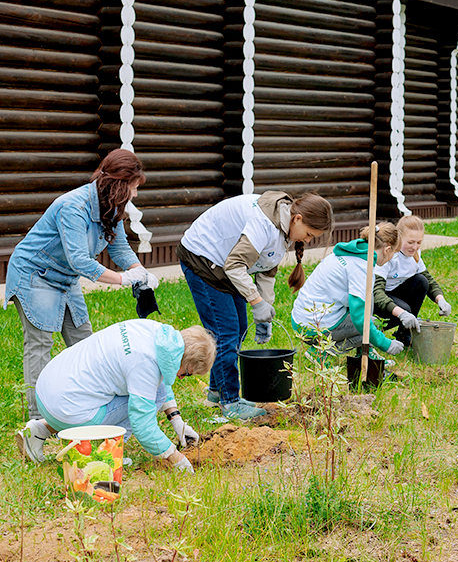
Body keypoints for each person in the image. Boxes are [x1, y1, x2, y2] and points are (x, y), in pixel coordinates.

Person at [3, 150, 159, 420]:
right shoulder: (72, 206)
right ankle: (38, 421)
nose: (135, 195)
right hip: (35, 274)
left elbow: (120, 247)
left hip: (65, 279)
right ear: (121, 185)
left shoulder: (113, 206)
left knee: (84, 341)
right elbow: (79, 261)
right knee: (41, 343)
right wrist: (123, 279)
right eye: (133, 188)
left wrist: (139, 270)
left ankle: (85, 404)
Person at [176, 192, 333, 419]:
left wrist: (264, 311)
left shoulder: (284, 226)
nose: (307, 241)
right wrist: (255, 302)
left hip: (225, 265)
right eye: (309, 234)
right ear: (297, 218)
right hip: (203, 257)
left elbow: (267, 270)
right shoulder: (265, 224)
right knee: (226, 332)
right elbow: (235, 265)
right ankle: (230, 402)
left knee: (238, 329)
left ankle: (216, 393)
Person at [15, 320, 216, 474]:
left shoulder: (156, 332)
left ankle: (40, 428)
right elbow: (142, 424)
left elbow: (161, 375)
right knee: (149, 399)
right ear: (184, 358)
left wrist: (176, 419)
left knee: (152, 391)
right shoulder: (145, 363)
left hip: (48, 388)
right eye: (188, 373)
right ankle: (108, 453)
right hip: (67, 408)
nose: (182, 378)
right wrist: (177, 458)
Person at [292, 223, 406, 363]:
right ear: (387, 249)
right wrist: (385, 344)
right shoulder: (362, 267)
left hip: (301, 319)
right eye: (394, 254)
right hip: (313, 327)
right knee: (371, 325)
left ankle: (367, 354)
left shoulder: (351, 253)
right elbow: (359, 317)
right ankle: (320, 353)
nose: (391, 258)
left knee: (368, 319)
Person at [372, 215, 452, 347]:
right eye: (410, 242)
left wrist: (440, 299)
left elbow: (428, 279)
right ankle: (376, 329)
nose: (415, 247)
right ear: (399, 237)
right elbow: (377, 292)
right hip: (378, 302)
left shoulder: (415, 255)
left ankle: (405, 333)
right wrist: (401, 312)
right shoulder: (389, 255)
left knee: (421, 281)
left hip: (396, 295)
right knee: (405, 308)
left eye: (419, 242)